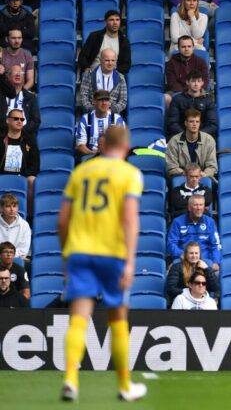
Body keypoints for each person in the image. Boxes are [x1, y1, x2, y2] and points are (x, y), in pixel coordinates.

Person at [55, 126, 147, 401]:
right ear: (127, 146)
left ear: (103, 143)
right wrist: (130, 261)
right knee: (117, 318)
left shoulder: (80, 172)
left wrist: (65, 256)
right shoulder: (130, 174)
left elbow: (62, 221)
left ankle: (71, 379)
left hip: (79, 251)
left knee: (78, 318)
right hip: (112, 253)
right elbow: (130, 219)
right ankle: (124, 385)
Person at [167, 194, 221, 267]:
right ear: (189, 208)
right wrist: (183, 255)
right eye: (195, 205)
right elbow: (171, 244)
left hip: (204, 260)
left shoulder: (210, 222)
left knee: (216, 271)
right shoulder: (177, 222)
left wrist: (216, 262)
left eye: (201, 205)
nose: (198, 208)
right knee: (173, 269)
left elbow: (215, 245)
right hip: (183, 259)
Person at [75, 90, 125, 160]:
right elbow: (81, 146)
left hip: (111, 157)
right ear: (94, 102)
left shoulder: (117, 119)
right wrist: (95, 154)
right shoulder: (85, 119)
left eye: (106, 100)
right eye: (100, 100)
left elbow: (121, 144)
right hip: (91, 156)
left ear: (110, 103)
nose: (104, 103)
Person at [0, 108, 38, 186]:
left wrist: (24, 175)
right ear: (8, 121)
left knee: (32, 179)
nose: (19, 121)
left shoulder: (29, 140)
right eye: (16, 119)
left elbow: (34, 165)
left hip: (22, 177)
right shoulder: (1, 139)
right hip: (1, 176)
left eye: (22, 119)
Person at [3, 64, 37, 136]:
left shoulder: (30, 97)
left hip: (24, 137)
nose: (18, 75)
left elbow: (35, 120)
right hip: (3, 135)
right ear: (8, 76)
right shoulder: (1, 95)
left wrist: (20, 133)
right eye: (15, 73)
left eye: (20, 73)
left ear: (23, 77)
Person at [0, 193, 29, 260]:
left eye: (14, 206)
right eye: (8, 206)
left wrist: (8, 256)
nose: (12, 209)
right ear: (1, 208)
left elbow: (23, 250)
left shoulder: (24, 225)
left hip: (17, 260)